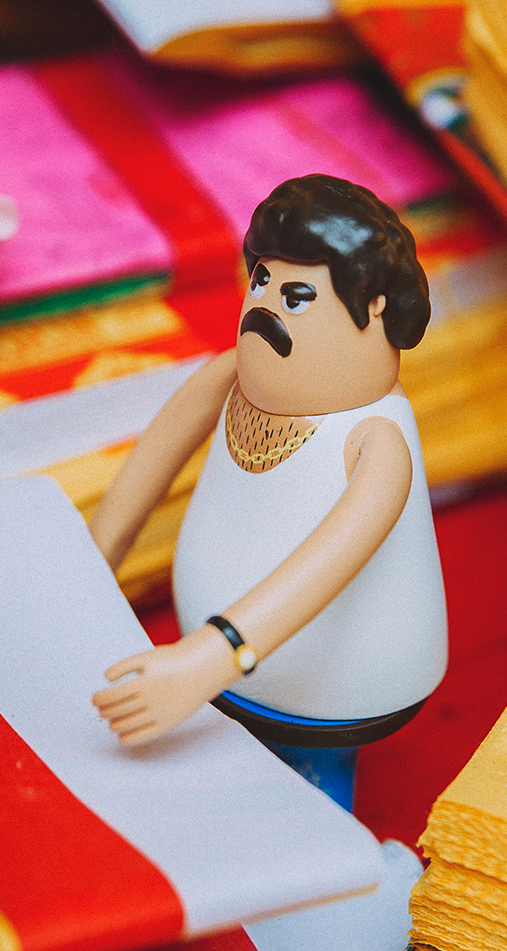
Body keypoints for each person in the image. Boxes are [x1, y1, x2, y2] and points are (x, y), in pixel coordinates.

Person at [88, 174, 447, 804]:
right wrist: (87, 572)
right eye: (261, 281)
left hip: (330, 689)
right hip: (211, 674)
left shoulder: (375, 442)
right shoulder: (233, 375)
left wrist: (211, 656)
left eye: (297, 296)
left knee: (303, 805)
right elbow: (153, 460)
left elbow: (330, 561)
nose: (265, 308)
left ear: (374, 310)